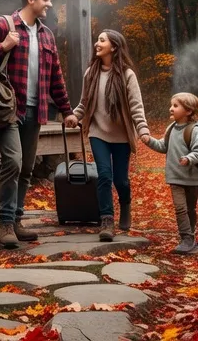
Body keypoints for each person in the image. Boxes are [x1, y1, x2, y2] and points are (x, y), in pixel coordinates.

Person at [0, 0, 77, 249]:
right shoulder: (3, 25)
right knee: (14, 163)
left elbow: (56, 78)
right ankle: (5, 223)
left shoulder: (46, 35)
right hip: (7, 109)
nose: (49, 4)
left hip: (36, 109)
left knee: (27, 169)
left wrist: (66, 110)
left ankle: (17, 220)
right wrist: (4, 46)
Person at [70, 29, 151, 242]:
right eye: (97, 39)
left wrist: (142, 129)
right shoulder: (91, 73)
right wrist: (74, 116)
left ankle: (125, 203)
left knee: (120, 180)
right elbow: (84, 103)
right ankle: (106, 220)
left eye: (102, 40)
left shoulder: (127, 75)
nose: (97, 43)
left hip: (122, 135)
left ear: (113, 47)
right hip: (98, 133)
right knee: (104, 176)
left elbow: (136, 105)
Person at [141, 92, 198, 254]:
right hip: (175, 178)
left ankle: (190, 238)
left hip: (193, 179)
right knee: (180, 209)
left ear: (188, 111)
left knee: (190, 209)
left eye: (176, 106)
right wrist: (150, 141)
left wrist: (189, 158)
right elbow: (163, 147)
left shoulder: (194, 130)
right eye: (171, 105)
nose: (171, 109)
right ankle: (186, 239)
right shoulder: (171, 129)